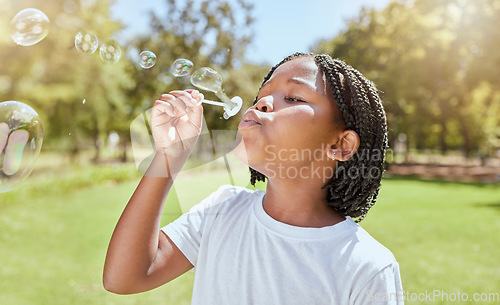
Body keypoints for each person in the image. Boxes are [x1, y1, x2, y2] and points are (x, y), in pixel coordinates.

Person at [103, 53, 404, 304]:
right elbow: (124, 277)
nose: (261, 103)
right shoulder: (221, 211)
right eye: (261, 96)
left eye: (293, 97)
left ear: (341, 145)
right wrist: (169, 157)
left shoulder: (369, 267)